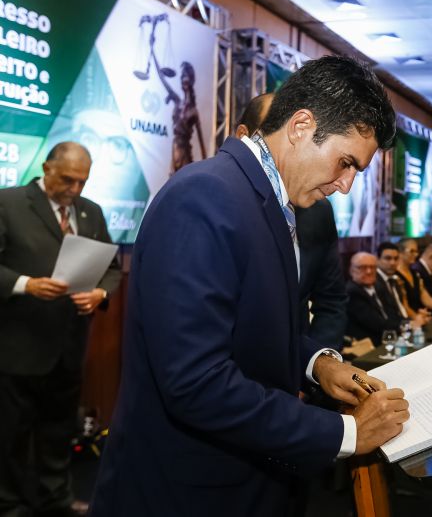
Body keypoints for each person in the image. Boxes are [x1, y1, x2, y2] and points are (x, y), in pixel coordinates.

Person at [89, 56, 409, 517]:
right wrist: (347, 433)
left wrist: (318, 365)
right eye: (345, 163)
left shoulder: (266, 197)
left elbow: (252, 325)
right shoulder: (205, 196)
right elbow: (196, 382)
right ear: (301, 126)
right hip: (186, 493)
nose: (345, 186)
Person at [0, 142, 121, 517]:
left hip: (69, 345)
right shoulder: (9, 203)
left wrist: (101, 292)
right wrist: (25, 284)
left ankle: (57, 499)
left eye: (82, 182)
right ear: (47, 167)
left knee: (58, 430)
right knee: (11, 435)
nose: (74, 190)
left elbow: (112, 267)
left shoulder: (91, 212)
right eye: (67, 179)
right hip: (18, 344)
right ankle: (10, 504)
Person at [235, 94, 346, 349]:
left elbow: (331, 301)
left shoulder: (318, 211)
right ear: (244, 136)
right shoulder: (215, 200)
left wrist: (319, 364)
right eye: (273, 140)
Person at [345, 252, 405, 346]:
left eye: (372, 267)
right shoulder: (351, 292)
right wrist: (404, 326)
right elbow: (376, 324)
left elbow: (392, 312)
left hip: (390, 338)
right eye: (362, 267)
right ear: (351, 270)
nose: (369, 271)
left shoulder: (378, 286)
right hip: (370, 346)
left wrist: (408, 322)